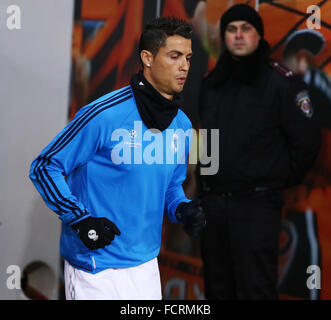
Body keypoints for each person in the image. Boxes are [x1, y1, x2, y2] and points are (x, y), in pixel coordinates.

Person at [29, 16, 205, 300]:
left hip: (147, 265)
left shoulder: (182, 125)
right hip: (97, 267)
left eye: (188, 57)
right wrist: (81, 220)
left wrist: (182, 209)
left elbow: (171, 188)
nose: (184, 65)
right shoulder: (103, 114)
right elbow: (45, 166)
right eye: (174, 56)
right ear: (147, 58)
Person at [197, 4, 321, 300]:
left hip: (257, 205)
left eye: (246, 29)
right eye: (231, 29)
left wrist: (274, 181)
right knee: (217, 289)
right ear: (223, 36)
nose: (238, 35)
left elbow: (307, 142)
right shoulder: (210, 85)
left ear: (259, 35)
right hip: (213, 206)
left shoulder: (282, 83)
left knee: (258, 290)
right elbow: (206, 141)